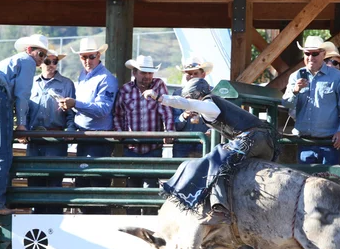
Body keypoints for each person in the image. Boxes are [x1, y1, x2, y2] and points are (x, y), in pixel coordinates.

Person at [143, 78, 275, 225]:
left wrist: (160, 97)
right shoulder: (214, 105)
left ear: (196, 94)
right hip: (265, 141)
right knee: (223, 159)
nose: (187, 102)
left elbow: (189, 104)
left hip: (251, 139)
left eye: (188, 97)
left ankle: (219, 209)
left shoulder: (209, 103)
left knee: (215, 161)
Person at [0, 33, 49, 217]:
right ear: (30, 50)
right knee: (3, 151)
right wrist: (22, 124)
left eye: (44, 56)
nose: (42, 60)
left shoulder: (9, 62)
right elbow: (23, 95)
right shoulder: (27, 61)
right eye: (41, 54)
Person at [59, 37, 118, 214]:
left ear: (98, 55)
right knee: (83, 182)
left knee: (97, 184)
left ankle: (98, 224)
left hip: (99, 138)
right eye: (83, 57)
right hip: (84, 136)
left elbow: (103, 109)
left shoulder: (107, 79)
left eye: (91, 57)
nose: (87, 60)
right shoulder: (84, 76)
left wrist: (75, 104)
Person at [113, 55, 174, 215]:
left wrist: (169, 130)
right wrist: (120, 132)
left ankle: (149, 224)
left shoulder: (159, 85)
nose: (147, 76)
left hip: (152, 146)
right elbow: (118, 114)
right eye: (143, 72)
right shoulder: (125, 89)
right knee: (132, 187)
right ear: (134, 72)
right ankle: (134, 222)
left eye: (149, 73)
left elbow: (166, 110)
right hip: (131, 146)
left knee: (150, 187)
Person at [282, 36, 340, 165]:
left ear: (323, 54)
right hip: (304, 142)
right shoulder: (295, 76)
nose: (310, 57)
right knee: (306, 182)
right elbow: (286, 104)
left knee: (330, 182)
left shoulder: (338, 77)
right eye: (307, 53)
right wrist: (295, 90)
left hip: (330, 142)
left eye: (314, 53)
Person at [26, 47, 76, 214]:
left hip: (56, 138)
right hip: (34, 138)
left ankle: (54, 219)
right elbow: (23, 109)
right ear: (41, 63)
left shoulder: (67, 84)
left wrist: (69, 130)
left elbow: (72, 113)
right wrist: (23, 128)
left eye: (55, 61)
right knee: (34, 182)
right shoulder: (30, 82)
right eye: (48, 61)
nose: (52, 64)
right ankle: (37, 218)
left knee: (55, 183)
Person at [172, 56, 213, 158]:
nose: (192, 76)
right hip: (182, 144)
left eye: (195, 73)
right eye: (189, 74)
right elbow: (173, 124)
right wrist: (184, 116)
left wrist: (212, 132)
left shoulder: (212, 93)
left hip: (204, 142)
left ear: (203, 74)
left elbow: (218, 119)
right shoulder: (177, 94)